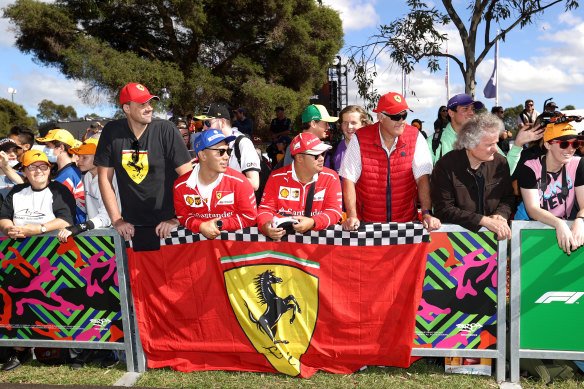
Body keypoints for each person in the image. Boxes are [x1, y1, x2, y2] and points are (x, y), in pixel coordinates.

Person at [0, 150, 76, 372]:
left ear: (50, 169)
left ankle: (65, 350)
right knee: (18, 304)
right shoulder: (16, 191)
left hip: (54, 260)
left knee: (56, 302)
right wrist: (8, 228)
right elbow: (3, 216)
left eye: (43, 166)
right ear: (23, 171)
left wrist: (38, 229)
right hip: (20, 258)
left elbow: (65, 219)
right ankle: (19, 351)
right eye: (32, 167)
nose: (38, 171)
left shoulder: (59, 190)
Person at [95, 82, 192, 242]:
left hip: (169, 227)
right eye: (142, 104)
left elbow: (187, 177)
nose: (149, 108)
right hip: (131, 228)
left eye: (149, 102)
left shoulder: (166, 129)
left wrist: (178, 217)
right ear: (126, 108)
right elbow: (104, 178)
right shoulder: (112, 132)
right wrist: (117, 220)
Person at [339, 92, 441, 232]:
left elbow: (422, 179)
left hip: (406, 225)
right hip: (367, 226)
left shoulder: (415, 137)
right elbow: (349, 179)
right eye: (395, 116)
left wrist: (426, 213)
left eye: (404, 115)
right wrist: (351, 216)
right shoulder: (360, 138)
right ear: (380, 117)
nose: (401, 121)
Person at [430, 113, 514, 239]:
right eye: (489, 145)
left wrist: (500, 215)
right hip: (453, 241)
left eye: (496, 143)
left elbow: (508, 198)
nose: (496, 149)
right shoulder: (445, 166)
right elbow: (443, 209)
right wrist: (483, 221)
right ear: (469, 144)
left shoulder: (500, 163)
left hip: (492, 241)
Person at [428, 93, 543, 174]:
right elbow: (426, 180)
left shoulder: (484, 137)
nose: (471, 113)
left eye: (473, 109)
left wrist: (517, 144)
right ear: (451, 113)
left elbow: (504, 170)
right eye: (465, 109)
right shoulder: (434, 142)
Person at [173, 129, 257, 239]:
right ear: (202, 155)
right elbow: (183, 216)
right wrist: (201, 226)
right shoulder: (180, 186)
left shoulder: (240, 182)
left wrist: (219, 224)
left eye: (228, 151)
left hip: (230, 253)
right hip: (198, 253)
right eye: (221, 152)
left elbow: (250, 217)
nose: (227, 156)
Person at [258, 133, 342, 240]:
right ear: (299, 158)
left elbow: (334, 212)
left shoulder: (331, 177)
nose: (321, 158)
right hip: (284, 247)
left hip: (317, 245)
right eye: (316, 155)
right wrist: (266, 227)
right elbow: (266, 209)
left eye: (323, 154)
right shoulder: (277, 177)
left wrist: (313, 222)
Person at [518, 121, 584, 254]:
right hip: (530, 226)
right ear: (547, 144)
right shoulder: (529, 167)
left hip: (564, 225)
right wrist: (559, 223)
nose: (571, 149)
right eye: (564, 144)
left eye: (575, 144)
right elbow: (533, 209)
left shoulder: (579, 164)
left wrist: (581, 220)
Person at [57, 139, 121, 242]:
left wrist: (79, 228)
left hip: (112, 237)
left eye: (84, 157)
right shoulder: (87, 176)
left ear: (98, 158)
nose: (79, 160)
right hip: (96, 235)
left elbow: (107, 217)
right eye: (79, 156)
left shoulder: (112, 179)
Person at [199, 102, 261, 191]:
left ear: (222, 122)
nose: (204, 128)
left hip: (237, 202)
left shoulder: (242, 143)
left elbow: (254, 183)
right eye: (202, 123)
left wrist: (219, 180)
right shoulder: (208, 144)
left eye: (208, 123)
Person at [36, 129, 85, 224]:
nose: (45, 149)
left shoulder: (68, 176)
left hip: (71, 229)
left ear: (61, 148)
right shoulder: (66, 172)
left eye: (48, 146)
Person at [330, 105, 370, 174]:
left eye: (353, 123)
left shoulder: (374, 150)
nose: (349, 127)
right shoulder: (332, 151)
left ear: (363, 124)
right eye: (345, 123)